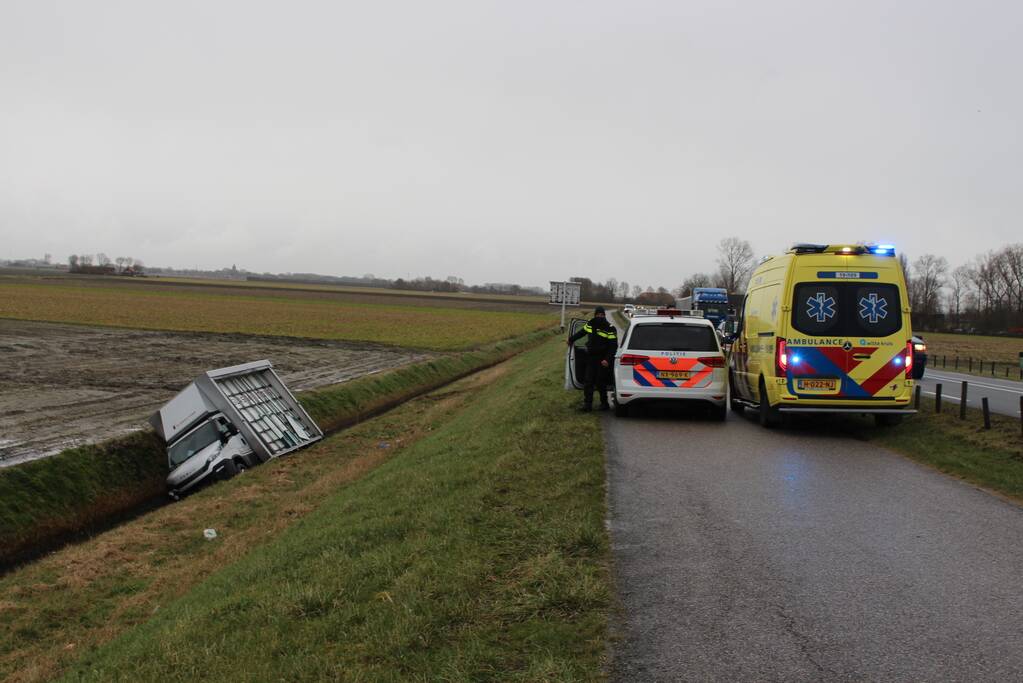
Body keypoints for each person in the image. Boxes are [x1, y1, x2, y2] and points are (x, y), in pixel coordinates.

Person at [566, 306, 618, 411]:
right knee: (588, 381)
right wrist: (571, 339)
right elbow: (581, 333)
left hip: (603, 359)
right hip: (591, 357)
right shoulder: (590, 324)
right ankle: (587, 405)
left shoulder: (610, 328)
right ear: (595, 315)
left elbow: (613, 346)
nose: (600, 316)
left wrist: (607, 359)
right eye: (598, 315)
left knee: (600, 382)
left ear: (604, 315)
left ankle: (604, 404)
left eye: (602, 315)